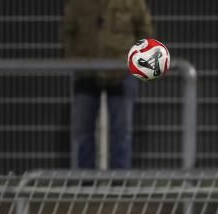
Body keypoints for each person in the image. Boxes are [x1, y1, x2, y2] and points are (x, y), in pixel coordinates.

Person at [62, 0, 153, 169]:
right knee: (83, 132)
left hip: (121, 72)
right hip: (86, 72)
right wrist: (74, 60)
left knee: (122, 132)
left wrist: (138, 61)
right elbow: (68, 30)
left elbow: (144, 29)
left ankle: (119, 185)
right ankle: (85, 183)